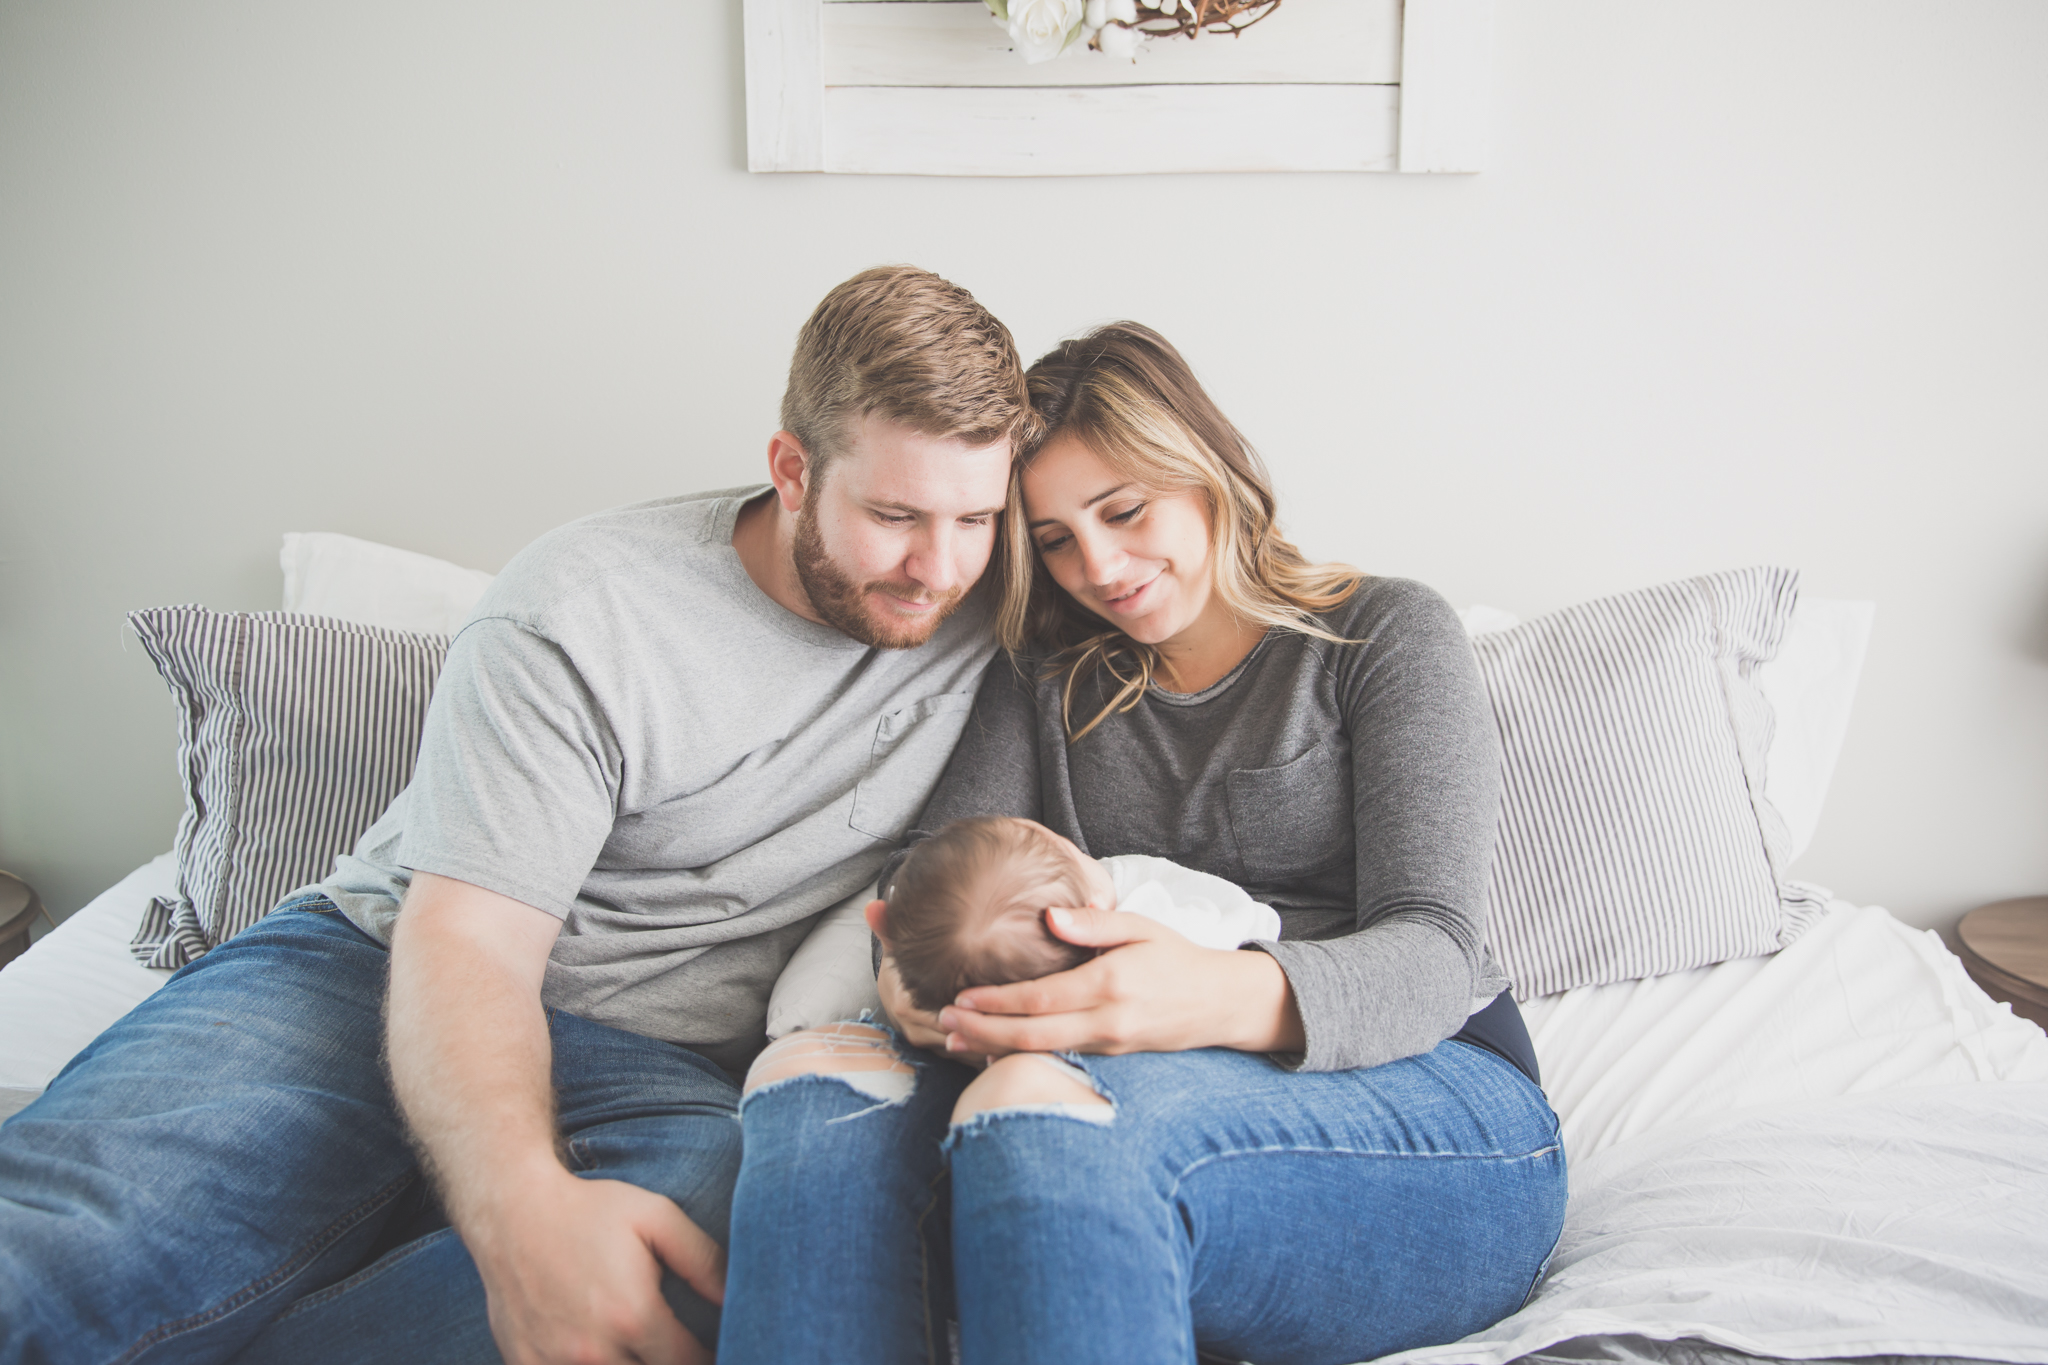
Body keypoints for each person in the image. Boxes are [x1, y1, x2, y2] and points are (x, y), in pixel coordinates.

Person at [0, 265, 1033, 1365]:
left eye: (975, 517)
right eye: (893, 516)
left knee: (681, 1266)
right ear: (789, 469)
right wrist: (517, 1204)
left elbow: (1179, 559)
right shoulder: (583, 611)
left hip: (660, 1068)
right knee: (74, 1250)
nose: (939, 567)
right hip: (371, 971)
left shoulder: (1005, 594)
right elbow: (470, 941)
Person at [720, 322, 1567, 1365]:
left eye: (1124, 512)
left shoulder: (1376, 637)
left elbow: (1435, 948)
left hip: (1430, 1097)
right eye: (1056, 540)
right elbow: (937, 857)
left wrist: (1200, 994)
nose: (1099, 567)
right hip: (1123, 1062)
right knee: (817, 1078)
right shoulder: (1046, 675)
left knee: (1041, 1109)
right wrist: (910, 976)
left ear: (1205, 472)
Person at [880, 814, 1280, 1012]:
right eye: (1069, 851)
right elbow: (1257, 923)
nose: (1091, 857)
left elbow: (922, 890)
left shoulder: (988, 1005)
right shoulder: (1149, 918)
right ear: (1089, 918)